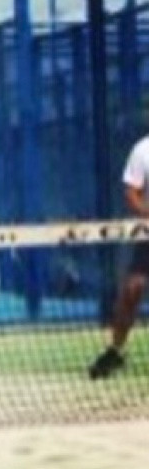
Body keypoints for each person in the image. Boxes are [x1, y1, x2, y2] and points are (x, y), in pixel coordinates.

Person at [88, 132, 149, 378]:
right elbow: (132, 193)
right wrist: (147, 213)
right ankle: (115, 351)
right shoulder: (143, 149)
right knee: (132, 289)